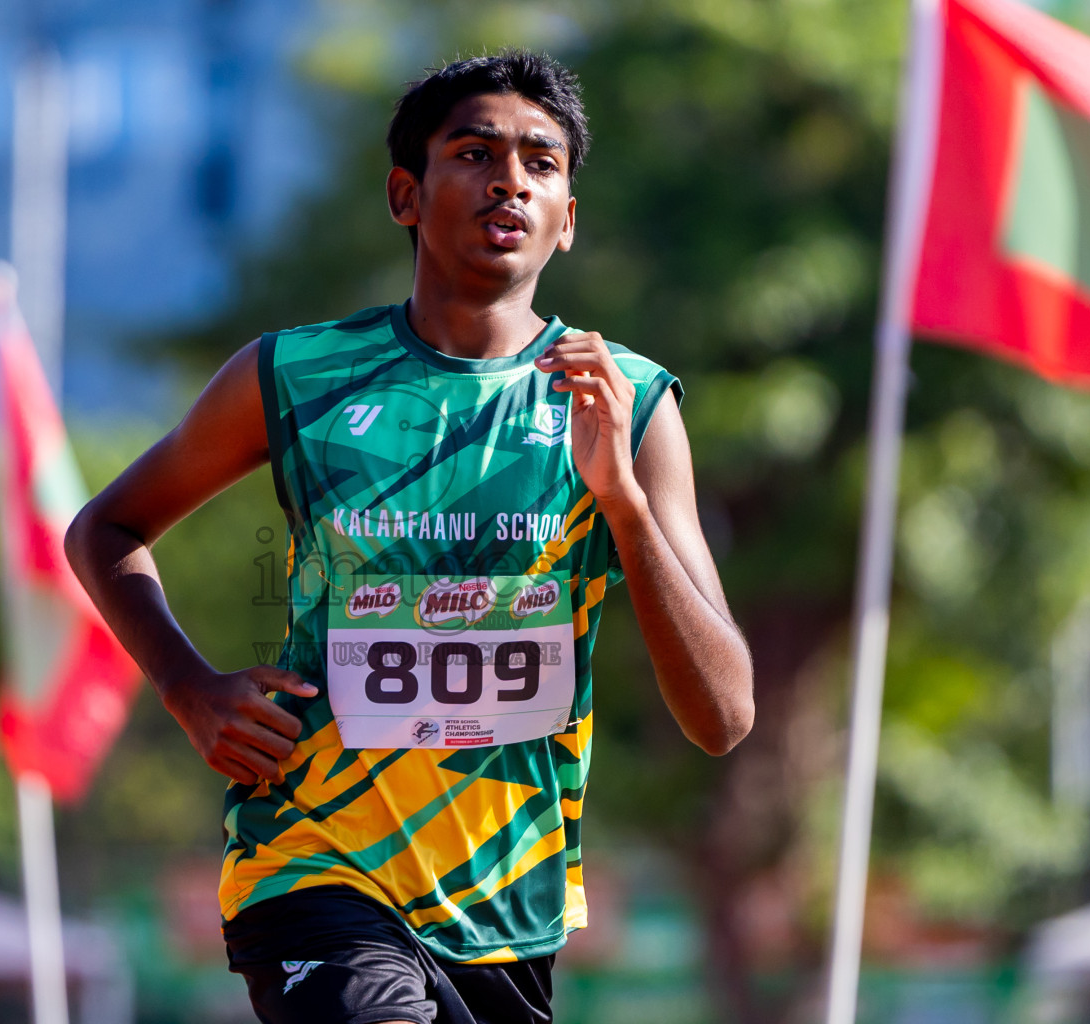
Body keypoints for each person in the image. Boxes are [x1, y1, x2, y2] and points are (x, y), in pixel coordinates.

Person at [67, 49, 754, 1024]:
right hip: (312, 867)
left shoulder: (630, 405)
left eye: (542, 163)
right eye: (475, 153)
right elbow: (107, 526)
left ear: (568, 221)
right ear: (406, 193)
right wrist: (188, 685)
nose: (511, 178)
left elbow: (723, 714)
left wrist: (624, 504)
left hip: (506, 904)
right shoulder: (295, 377)